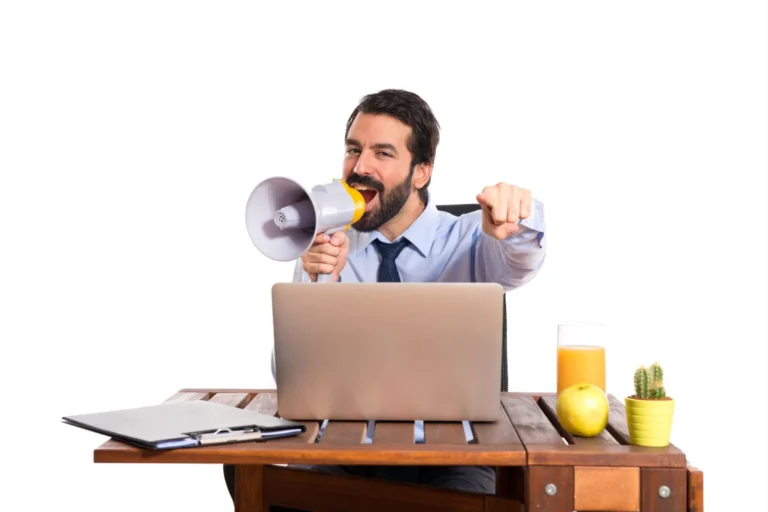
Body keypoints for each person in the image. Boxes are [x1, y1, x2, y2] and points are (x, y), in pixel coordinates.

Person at [224, 89, 546, 502]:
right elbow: (293, 377)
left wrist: (520, 215)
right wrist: (324, 285)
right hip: (339, 453)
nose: (360, 167)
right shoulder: (324, 246)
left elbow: (520, 261)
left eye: (383, 153)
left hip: (453, 460)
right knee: (262, 483)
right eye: (353, 150)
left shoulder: (470, 237)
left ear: (421, 172)